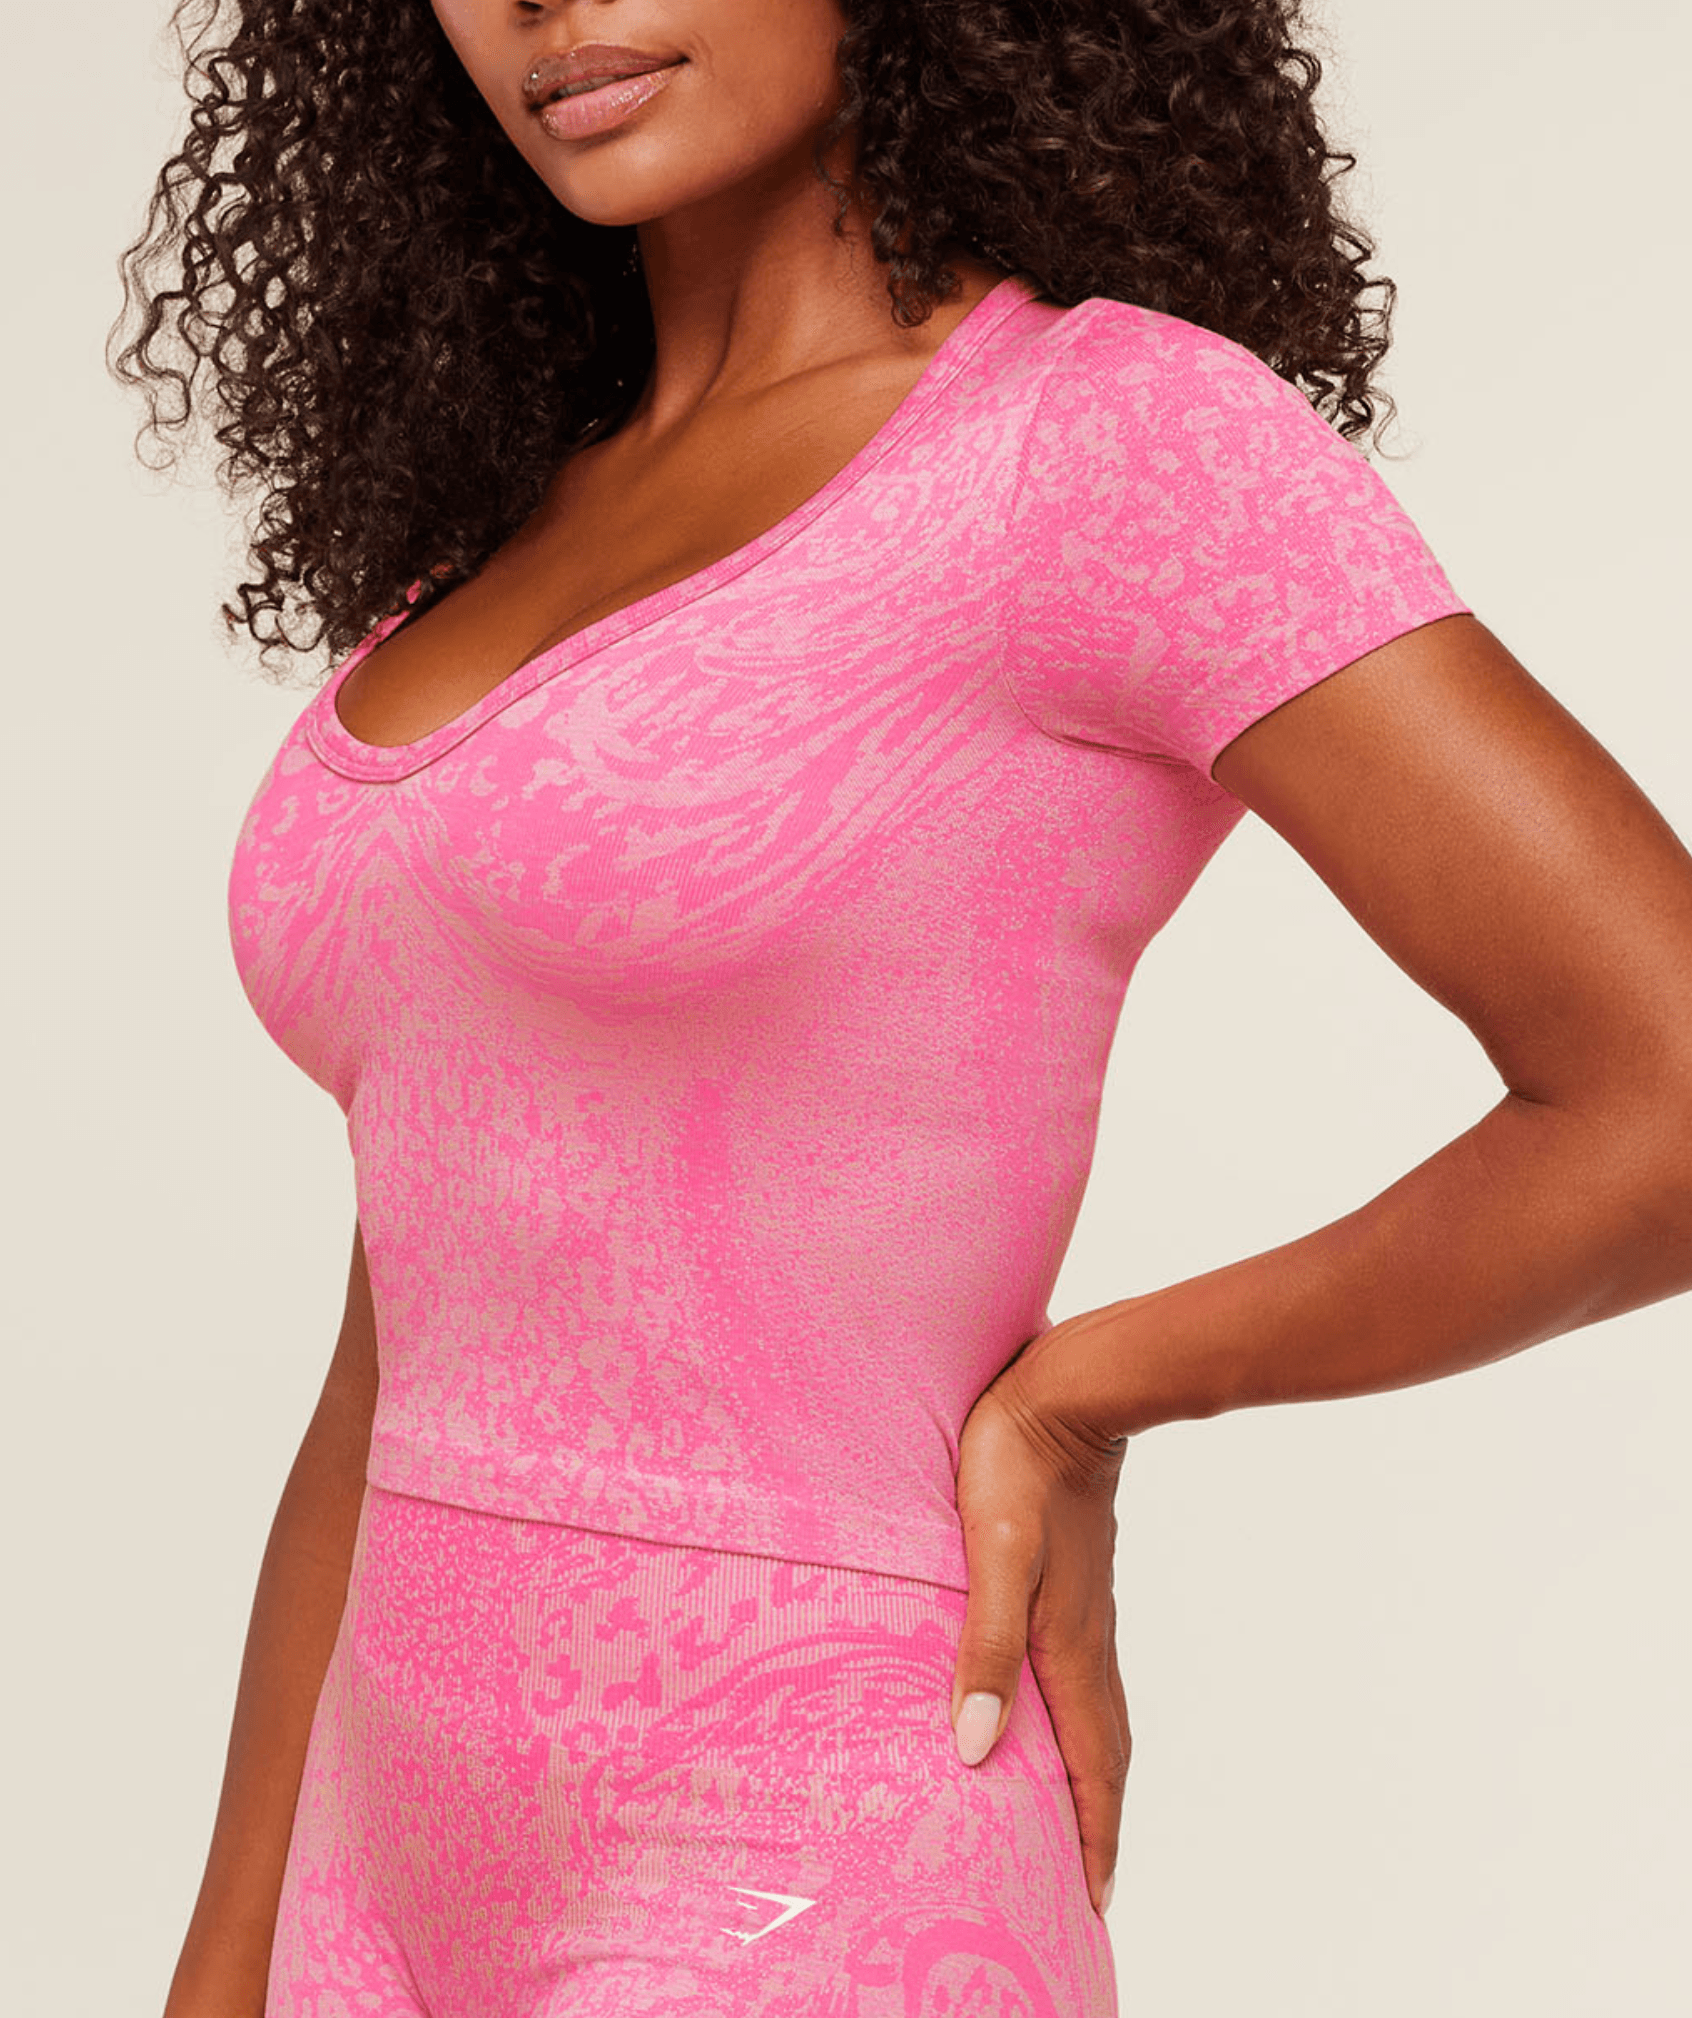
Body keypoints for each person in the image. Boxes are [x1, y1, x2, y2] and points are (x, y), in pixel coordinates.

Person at [110, 2, 1692, 2014]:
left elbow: (1665, 1084)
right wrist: (228, 1957)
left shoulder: (1098, 444)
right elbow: (409, 1331)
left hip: (809, 1873)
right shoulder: (500, 517)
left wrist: (1093, 1389)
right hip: (375, 1873)